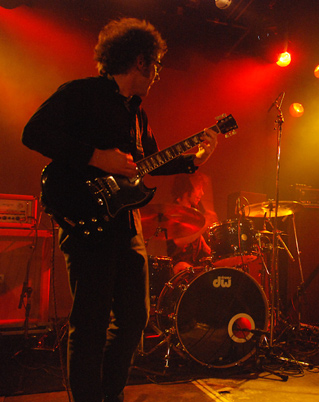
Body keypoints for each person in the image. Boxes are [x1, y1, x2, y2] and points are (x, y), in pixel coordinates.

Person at [21, 18, 218, 402]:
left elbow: (149, 162)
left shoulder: (137, 114)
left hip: (126, 224)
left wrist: (194, 160)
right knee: (90, 323)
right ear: (140, 61)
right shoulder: (81, 94)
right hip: (85, 219)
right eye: (156, 65)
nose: (157, 74)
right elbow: (34, 132)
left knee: (134, 320)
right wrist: (96, 156)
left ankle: (110, 395)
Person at [167, 173, 218, 274]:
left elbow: (198, 240)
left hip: (194, 267)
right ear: (187, 189)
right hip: (179, 268)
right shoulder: (175, 212)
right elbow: (179, 241)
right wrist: (205, 224)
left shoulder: (194, 212)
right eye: (199, 188)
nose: (202, 193)